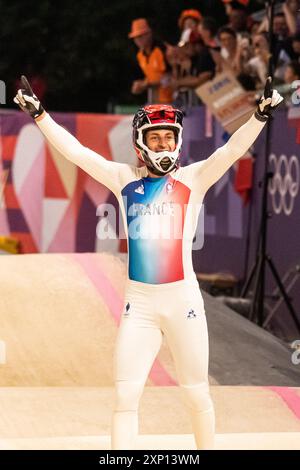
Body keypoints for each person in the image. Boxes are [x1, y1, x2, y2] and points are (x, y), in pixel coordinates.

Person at [14, 75, 283, 450]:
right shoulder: (122, 178)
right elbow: (76, 152)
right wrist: (40, 114)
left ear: (178, 141)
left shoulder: (194, 178)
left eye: (169, 136)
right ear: (141, 143)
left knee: (195, 395)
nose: (164, 143)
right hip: (138, 305)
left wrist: (259, 115)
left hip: (183, 302)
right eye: (156, 137)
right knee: (125, 399)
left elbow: (231, 151)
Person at [129, 18, 172, 104]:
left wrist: (146, 85)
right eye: (135, 38)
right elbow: (152, 77)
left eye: (140, 36)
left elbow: (170, 77)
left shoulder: (162, 50)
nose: (138, 40)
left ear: (149, 34)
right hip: (155, 100)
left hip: (171, 100)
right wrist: (141, 85)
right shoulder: (140, 55)